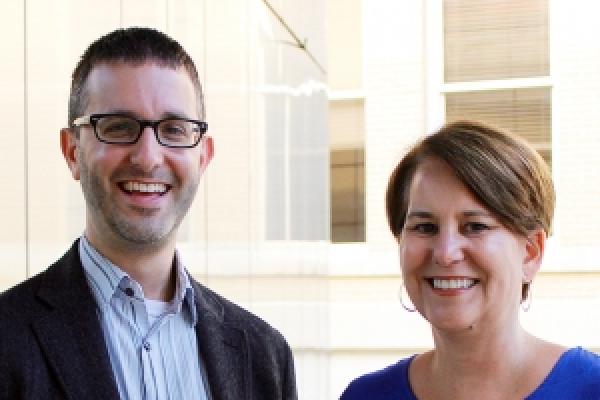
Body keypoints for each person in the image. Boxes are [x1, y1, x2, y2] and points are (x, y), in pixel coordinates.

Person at [0, 27, 296, 400]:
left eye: (174, 130)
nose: (148, 158)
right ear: (72, 151)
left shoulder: (264, 356)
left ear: (203, 156)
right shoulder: (8, 339)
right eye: (119, 127)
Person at [341, 121, 600, 399]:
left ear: (530, 252)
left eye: (475, 226)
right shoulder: (365, 395)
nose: (445, 253)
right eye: (425, 227)